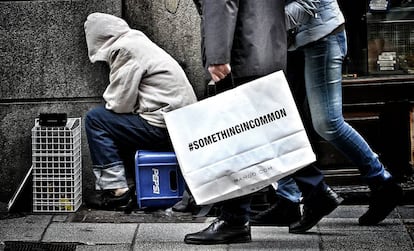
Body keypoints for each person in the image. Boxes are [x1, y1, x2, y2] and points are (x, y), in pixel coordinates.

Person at [184, 0, 343, 245]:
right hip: (263, 42)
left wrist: (217, 53)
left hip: (242, 50)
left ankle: (235, 220)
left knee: (239, 136)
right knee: (265, 130)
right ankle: (315, 190)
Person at [253, 0, 404, 230]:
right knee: (285, 119)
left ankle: (382, 182)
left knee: (328, 123)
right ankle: (288, 199)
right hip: (291, 43)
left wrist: (258, 25)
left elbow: (308, 3)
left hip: (322, 38)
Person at [83, 12, 197, 210]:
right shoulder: (136, 40)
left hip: (162, 125)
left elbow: (119, 103)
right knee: (120, 123)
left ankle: (117, 191)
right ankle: (130, 186)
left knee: (96, 119)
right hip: (179, 122)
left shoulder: (125, 49)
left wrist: (122, 103)